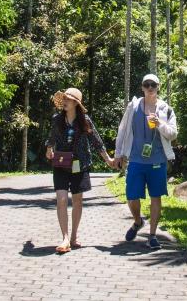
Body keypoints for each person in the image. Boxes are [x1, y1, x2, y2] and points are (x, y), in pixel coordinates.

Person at [45, 87, 115, 253]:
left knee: (77, 200)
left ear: (76, 103)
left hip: (80, 164)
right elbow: (51, 138)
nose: (65, 102)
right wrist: (49, 149)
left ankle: (74, 236)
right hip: (61, 163)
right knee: (61, 199)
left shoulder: (85, 121)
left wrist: (109, 160)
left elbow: (96, 141)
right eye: (64, 99)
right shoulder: (57, 119)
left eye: (68, 99)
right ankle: (65, 238)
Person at [114, 73, 177, 250]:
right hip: (135, 159)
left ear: (158, 88)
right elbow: (123, 130)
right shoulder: (133, 107)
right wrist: (119, 154)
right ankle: (137, 221)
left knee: (155, 197)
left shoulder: (166, 109)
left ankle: (152, 235)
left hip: (157, 160)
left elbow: (173, 134)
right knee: (132, 196)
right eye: (147, 84)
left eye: (153, 85)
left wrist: (159, 124)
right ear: (142, 87)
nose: (150, 88)